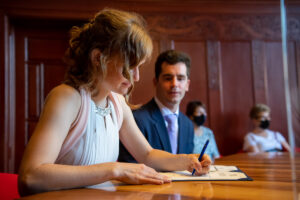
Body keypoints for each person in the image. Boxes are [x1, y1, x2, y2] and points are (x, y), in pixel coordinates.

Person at [18, 9, 211, 196]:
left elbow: (148, 155)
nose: (135, 77)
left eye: (138, 68)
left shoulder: (118, 103)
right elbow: (31, 176)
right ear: (98, 58)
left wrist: (187, 160)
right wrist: (114, 170)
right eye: (129, 67)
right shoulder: (67, 98)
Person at [119, 50, 195, 163]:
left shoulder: (188, 125)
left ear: (187, 85)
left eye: (180, 78)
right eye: (168, 78)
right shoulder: (136, 119)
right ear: (155, 82)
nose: (174, 84)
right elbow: (129, 167)